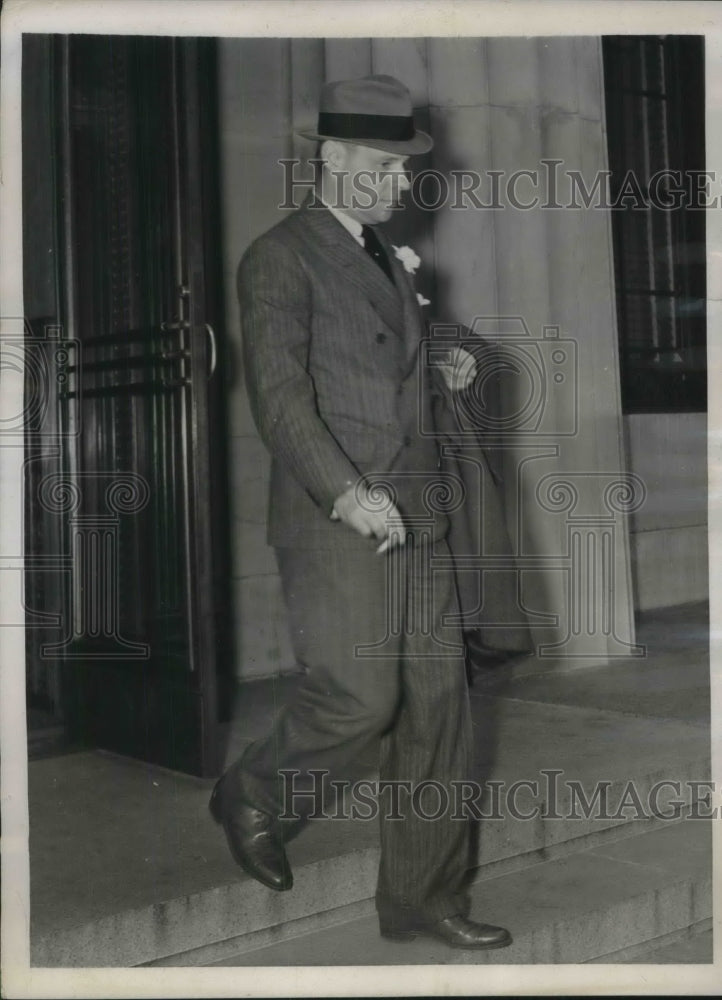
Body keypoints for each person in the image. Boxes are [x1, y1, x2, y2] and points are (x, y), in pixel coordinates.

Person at [209, 74, 512, 950]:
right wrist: (345, 491)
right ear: (330, 156)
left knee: (438, 710)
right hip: (342, 513)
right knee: (358, 697)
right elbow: (281, 396)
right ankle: (254, 793)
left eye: (405, 169)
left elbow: (391, 363)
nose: (396, 183)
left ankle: (425, 896)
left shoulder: (390, 257)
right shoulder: (281, 254)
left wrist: (449, 364)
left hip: (422, 511)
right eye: (380, 165)